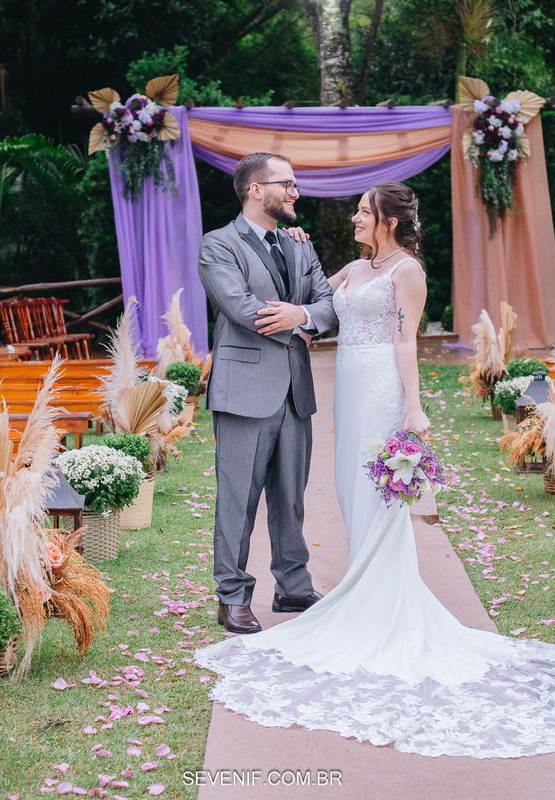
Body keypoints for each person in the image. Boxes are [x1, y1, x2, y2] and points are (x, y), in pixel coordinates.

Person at [196, 182, 555, 758]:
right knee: (350, 495)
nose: (356, 217)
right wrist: (297, 251)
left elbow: (404, 343)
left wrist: (413, 407)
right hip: (349, 393)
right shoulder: (356, 266)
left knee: (379, 501)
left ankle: (377, 607)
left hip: (383, 391)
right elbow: (319, 299)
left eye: (364, 211)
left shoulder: (407, 272)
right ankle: (361, 596)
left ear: (389, 219)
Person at [197, 152, 338, 636]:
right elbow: (239, 306)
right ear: (257, 189)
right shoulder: (218, 245)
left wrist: (305, 318)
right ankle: (232, 597)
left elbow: (327, 304)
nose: (296, 193)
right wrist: (292, 322)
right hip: (243, 392)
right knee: (238, 500)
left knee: (291, 496)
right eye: (288, 184)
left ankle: (293, 586)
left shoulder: (300, 244)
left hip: (295, 392)